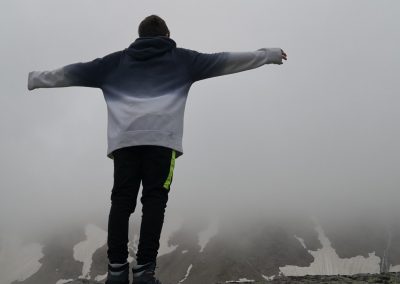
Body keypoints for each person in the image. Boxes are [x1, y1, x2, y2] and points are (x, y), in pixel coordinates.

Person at [27, 14, 287, 284]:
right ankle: (144, 272)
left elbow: (72, 72)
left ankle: (116, 271)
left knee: (121, 202)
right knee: (154, 202)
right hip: (162, 144)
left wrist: (36, 78)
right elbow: (226, 61)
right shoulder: (183, 60)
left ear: (139, 37)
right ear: (167, 36)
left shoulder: (113, 63)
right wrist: (267, 55)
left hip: (125, 144)